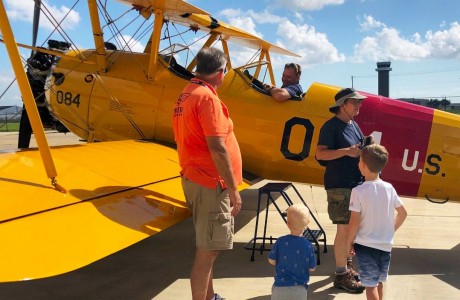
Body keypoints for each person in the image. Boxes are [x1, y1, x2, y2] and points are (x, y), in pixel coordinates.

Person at [172, 47, 243, 300]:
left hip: (196, 178)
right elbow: (217, 146)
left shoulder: (186, 93)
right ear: (220, 73)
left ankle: (210, 296)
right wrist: (234, 189)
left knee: (207, 245)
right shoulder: (208, 99)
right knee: (208, 253)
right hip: (211, 183)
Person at [315, 87, 371, 293]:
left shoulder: (353, 125)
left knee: (352, 229)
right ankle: (340, 274)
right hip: (340, 184)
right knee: (344, 229)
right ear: (342, 105)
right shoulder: (331, 127)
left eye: (359, 102)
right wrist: (347, 151)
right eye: (354, 102)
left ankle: (346, 266)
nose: (359, 105)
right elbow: (320, 154)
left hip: (354, 184)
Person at [347, 144, 407, 300]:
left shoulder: (358, 191)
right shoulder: (389, 188)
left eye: (359, 160)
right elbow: (403, 213)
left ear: (364, 166)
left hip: (366, 245)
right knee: (379, 282)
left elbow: (354, 221)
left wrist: (349, 242)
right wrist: (391, 230)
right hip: (385, 245)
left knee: (370, 286)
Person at [268, 203, 317, 300]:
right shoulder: (308, 245)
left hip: (280, 288)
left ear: (288, 223)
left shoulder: (280, 241)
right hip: (299, 289)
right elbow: (312, 268)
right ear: (307, 223)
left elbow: (271, 260)